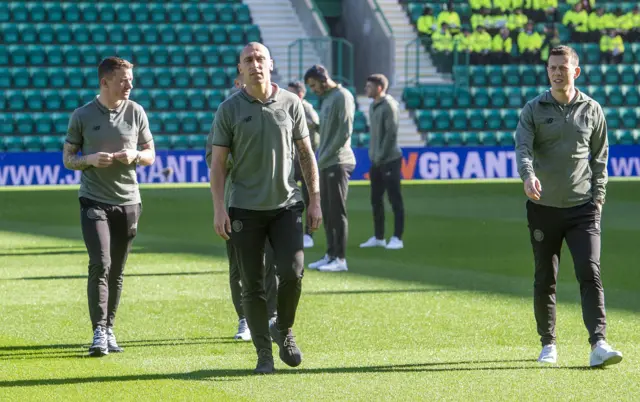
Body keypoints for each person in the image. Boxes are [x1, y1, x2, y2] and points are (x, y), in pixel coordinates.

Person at [208, 42, 321, 374]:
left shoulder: (291, 104)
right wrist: (218, 208)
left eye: (260, 58)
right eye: (248, 60)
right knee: (253, 284)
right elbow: (217, 164)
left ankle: (282, 329)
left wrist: (315, 199)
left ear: (270, 64)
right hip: (244, 209)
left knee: (293, 272)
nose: (255, 64)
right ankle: (263, 355)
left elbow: (306, 155)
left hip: (287, 205)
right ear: (240, 69)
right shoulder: (228, 109)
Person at [515, 45, 623, 367]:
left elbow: (600, 159)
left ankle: (598, 344)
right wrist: (528, 176)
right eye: (552, 67)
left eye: (563, 67)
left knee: (590, 272)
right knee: (544, 277)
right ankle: (548, 344)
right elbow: (523, 148)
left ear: (576, 71)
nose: (557, 72)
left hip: (583, 208)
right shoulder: (533, 109)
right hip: (543, 207)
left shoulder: (592, 109)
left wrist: (599, 199)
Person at [62, 57, 155, 357]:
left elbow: (151, 153)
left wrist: (136, 156)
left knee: (116, 270)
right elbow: (68, 158)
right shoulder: (82, 115)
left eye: (131, 79)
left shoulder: (136, 111)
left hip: (129, 201)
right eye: (123, 80)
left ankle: (110, 329)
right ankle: (98, 331)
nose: (130, 85)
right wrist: (89, 160)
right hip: (93, 200)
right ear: (105, 82)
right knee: (100, 263)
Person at [204, 151, 278, 342]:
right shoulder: (223, 121)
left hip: (273, 202)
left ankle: (271, 317)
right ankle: (245, 318)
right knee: (238, 267)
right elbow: (213, 158)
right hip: (236, 202)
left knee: (273, 264)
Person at [304, 65, 356, 273]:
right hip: (326, 161)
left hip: (338, 161)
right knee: (327, 211)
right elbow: (326, 131)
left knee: (337, 212)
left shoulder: (343, 96)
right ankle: (330, 254)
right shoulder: (327, 99)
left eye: (314, 85)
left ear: (323, 79)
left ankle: (340, 258)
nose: (313, 89)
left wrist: (322, 157)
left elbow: (344, 132)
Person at [359, 74, 404, 250]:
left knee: (395, 199)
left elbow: (391, 135)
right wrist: (374, 155)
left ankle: (397, 238)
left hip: (390, 159)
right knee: (375, 199)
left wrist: (380, 156)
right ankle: (379, 237)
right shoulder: (373, 106)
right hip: (377, 160)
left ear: (379, 87)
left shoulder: (389, 106)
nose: (366, 89)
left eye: (369, 86)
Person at [287, 80, 320, 249]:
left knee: (308, 198)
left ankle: (308, 234)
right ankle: (291, 231)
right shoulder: (288, 107)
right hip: (292, 160)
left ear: (300, 94)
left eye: (291, 92)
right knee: (289, 198)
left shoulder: (307, 109)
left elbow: (316, 126)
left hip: (305, 160)